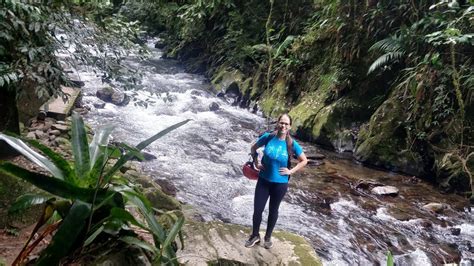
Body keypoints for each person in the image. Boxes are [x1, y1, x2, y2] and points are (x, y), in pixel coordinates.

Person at [245, 113, 308, 249]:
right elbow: (253, 148)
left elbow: (304, 160)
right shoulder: (269, 137)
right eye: (281, 123)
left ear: (290, 126)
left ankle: (268, 237)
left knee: (274, 211)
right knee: (258, 210)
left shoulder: (291, 144)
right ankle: (255, 235)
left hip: (280, 184)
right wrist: (256, 162)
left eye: (286, 124)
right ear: (277, 123)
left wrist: (291, 171)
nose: (283, 126)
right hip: (263, 180)